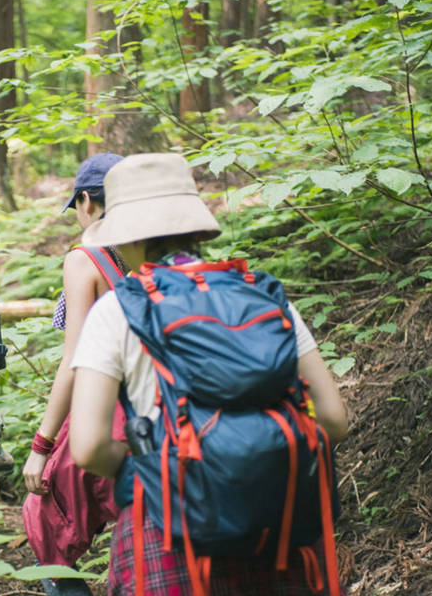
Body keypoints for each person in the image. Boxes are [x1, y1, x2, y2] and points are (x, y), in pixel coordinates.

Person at [68, 153, 350, 595]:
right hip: (278, 525)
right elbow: (333, 420)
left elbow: (87, 447)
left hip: (168, 531)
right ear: (195, 224)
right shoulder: (265, 295)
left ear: (122, 235)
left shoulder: (117, 309)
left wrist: (152, 470)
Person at [22, 152, 127, 596]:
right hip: (166, 408)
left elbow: (75, 359)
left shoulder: (86, 258)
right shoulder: (155, 251)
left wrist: (41, 446)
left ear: (86, 200)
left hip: (107, 411)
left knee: (42, 518)